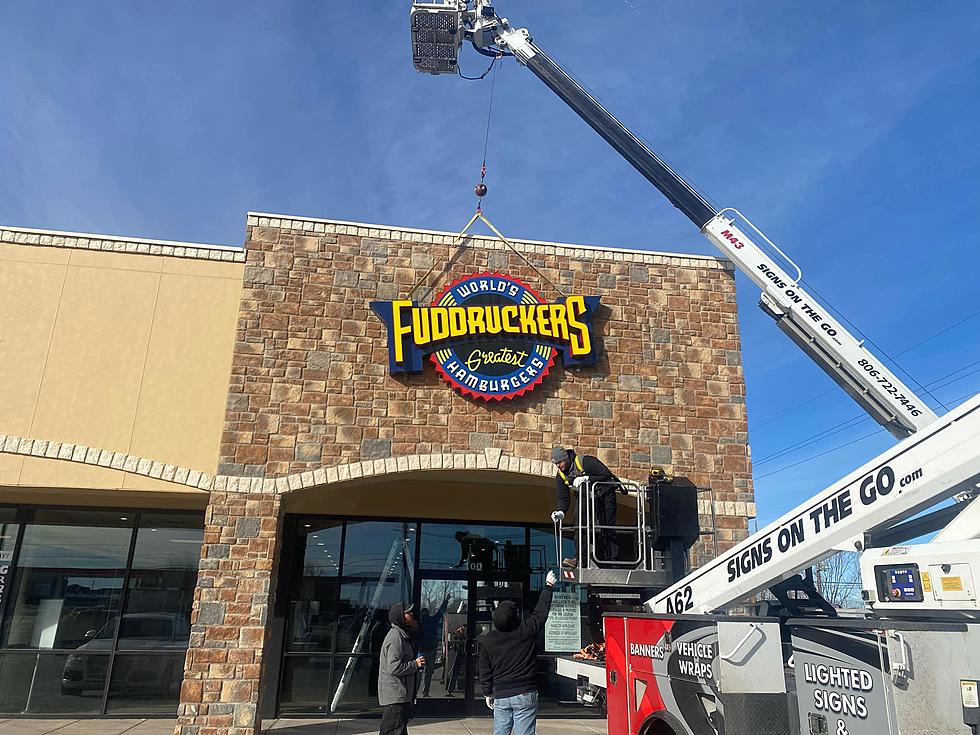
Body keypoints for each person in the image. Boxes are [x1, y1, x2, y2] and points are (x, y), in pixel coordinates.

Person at [478, 569, 559, 735]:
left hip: (500, 694)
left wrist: (487, 692)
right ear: (515, 617)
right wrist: (548, 587)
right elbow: (541, 613)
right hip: (524, 692)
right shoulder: (525, 631)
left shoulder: (488, 640)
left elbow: (484, 670)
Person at [550, 447, 623, 566]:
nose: (558, 465)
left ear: (566, 458)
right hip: (585, 497)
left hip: (605, 494)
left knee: (606, 526)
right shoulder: (561, 476)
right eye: (556, 463)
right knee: (579, 524)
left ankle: (611, 561)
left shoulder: (585, 462)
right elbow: (563, 497)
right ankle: (579, 559)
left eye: (560, 462)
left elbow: (606, 474)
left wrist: (588, 478)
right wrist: (561, 512)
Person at [378, 602, 425, 735]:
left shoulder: (403, 635)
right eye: (408, 613)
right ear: (400, 617)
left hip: (401, 696)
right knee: (393, 730)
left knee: (396, 729)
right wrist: (415, 664)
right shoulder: (396, 638)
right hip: (396, 696)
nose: (412, 615)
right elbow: (394, 667)